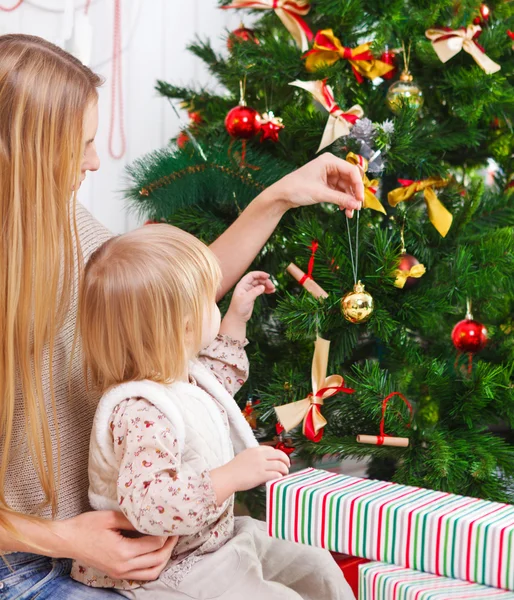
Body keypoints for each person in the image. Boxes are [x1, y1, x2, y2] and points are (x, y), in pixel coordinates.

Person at [0, 33, 363, 598]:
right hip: (30, 564)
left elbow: (167, 300)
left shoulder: (61, 219)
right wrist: (65, 540)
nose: (95, 162)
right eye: (81, 145)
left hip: (116, 547)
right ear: (24, 153)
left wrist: (279, 197)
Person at [71, 224, 355, 600]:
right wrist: (230, 476)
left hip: (218, 537)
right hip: (177, 567)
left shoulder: (180, 373)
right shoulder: (141, 411)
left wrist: (236, 317)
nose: (215, 305)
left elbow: (218, 384)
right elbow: (150, 505)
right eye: (210, 300)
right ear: (185, 327)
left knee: (315, 564)